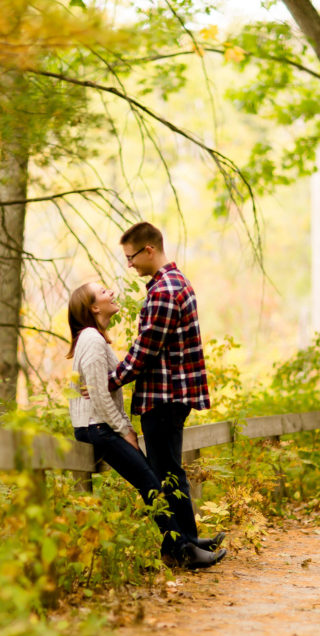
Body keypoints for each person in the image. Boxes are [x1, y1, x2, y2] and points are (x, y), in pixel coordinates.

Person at [67, 281, 226, 569]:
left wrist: (122, 424)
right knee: (151, 483)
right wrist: (124, 428)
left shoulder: (95, 338)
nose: (111, 293)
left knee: (153, 481)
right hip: (96, 428)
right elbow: (99, 393)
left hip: (101, 425)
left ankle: (181, 545)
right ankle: (182, 551)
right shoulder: (90, 338)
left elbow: (104, 392)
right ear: (93, 307)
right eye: (103, 292)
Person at [107, 221, 226, 563]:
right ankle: (188, 539)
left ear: (149, 250)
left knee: (166, 473)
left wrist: (110, 380)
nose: (129, 265)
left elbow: (145, 350)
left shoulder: (163, 291)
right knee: (171, 470)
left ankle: (182, 550)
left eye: (131, 257)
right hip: (172, 396)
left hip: (164, 397)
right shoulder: (173, 283)